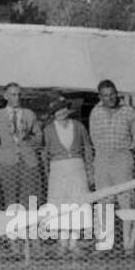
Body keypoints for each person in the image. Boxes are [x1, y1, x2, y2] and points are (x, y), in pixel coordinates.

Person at [0, 83, 43, 254]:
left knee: (30, 201)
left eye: (19, 95)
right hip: (8, 162)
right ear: (5, 96)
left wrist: (30, 142)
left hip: (29, 162)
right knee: (11, 202)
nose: (17, 98)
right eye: (13, 95)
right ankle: (14, 242)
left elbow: (39, 136)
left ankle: (33, 240)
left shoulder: (29, 114)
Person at [88, 79, 135, 254]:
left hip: (122, 158)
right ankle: (105, 244)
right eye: (105, 95)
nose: (109, 98)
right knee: (104, 201)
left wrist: (127, 151)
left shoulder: (129, 111)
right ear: (100, 96)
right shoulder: (95, 112)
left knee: (126, 200)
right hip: (102, 159)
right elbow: (93, 138)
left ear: (116, 93)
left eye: (112, 94)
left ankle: (128, 245)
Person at [42, 96, 94, 254]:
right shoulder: (49, 129)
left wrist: (90, 169)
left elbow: (87, 148)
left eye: (63, 108)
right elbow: (45, 153)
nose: (61, 112)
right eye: (57, 110)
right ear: (53, 113)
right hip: (57, 168)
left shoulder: (78, 126)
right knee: (60, 204)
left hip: (77, 167)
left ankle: (74, 243)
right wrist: (47, 172)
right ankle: (62, 243)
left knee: (78, 202)